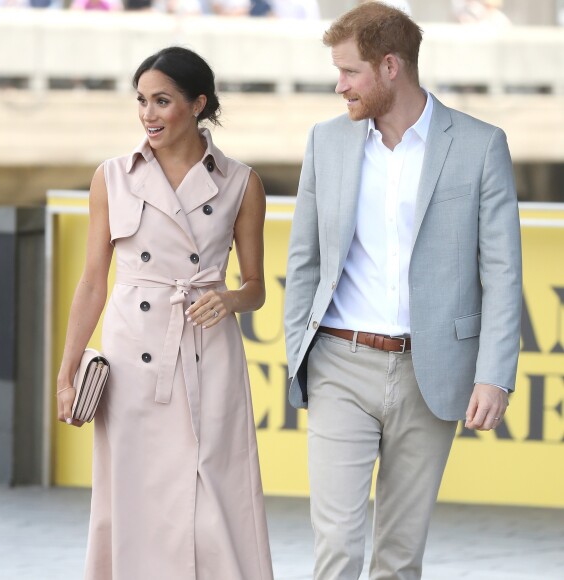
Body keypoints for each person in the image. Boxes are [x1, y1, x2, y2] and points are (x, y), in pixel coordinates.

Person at [284, 2, 522, 579]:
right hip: (340, 361)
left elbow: (503, 271)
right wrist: (300, 351)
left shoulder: (479, 145)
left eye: (349, 72)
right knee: (337, 546)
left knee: (398, 555)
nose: (339, 86)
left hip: (431, 369)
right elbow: (304, 260)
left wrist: (494, 373)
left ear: (391, 67)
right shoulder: (326, 142)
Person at [56, 46, 274, 580]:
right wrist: (67, 372)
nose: (148, 114)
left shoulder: (241, 183)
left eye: (162, 101)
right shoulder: (111, 176)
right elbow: (91, 282)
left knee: (214, 490)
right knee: (131, 490)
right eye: (141, 101)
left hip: (207, 353)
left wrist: (227, 299)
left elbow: (256, 287)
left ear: (198, 104)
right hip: (133, 354)